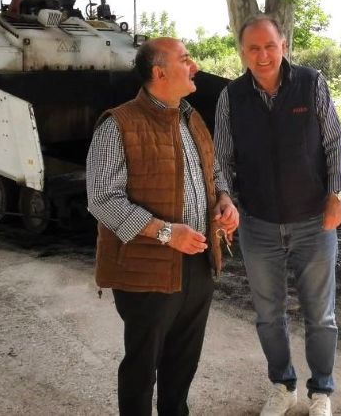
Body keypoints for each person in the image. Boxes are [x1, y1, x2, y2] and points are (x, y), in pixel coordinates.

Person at [86, 37, 239, 416]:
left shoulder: (192, 118)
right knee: (142, 369)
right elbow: (102, 199)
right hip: (146, 272)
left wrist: (224, 199)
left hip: (198, 263)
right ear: (159, 73)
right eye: (185, 60)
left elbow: (213, 171)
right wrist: (168, 233)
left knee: (183, 363)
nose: (195, 66)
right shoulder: (118, 125)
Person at [214, 15, 341, 416]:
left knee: (321, 316)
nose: (262, 56)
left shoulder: (311, 84)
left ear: (284, 46)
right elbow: (221, 158)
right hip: (257, 224)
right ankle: (282, 386)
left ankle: (321, 392)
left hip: (314, 221)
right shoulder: (231, 97)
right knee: (268, 316)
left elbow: (335, 144)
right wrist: (224, 196)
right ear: (243, 52)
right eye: (253, 48)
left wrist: (337, 196)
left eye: (269, 46)